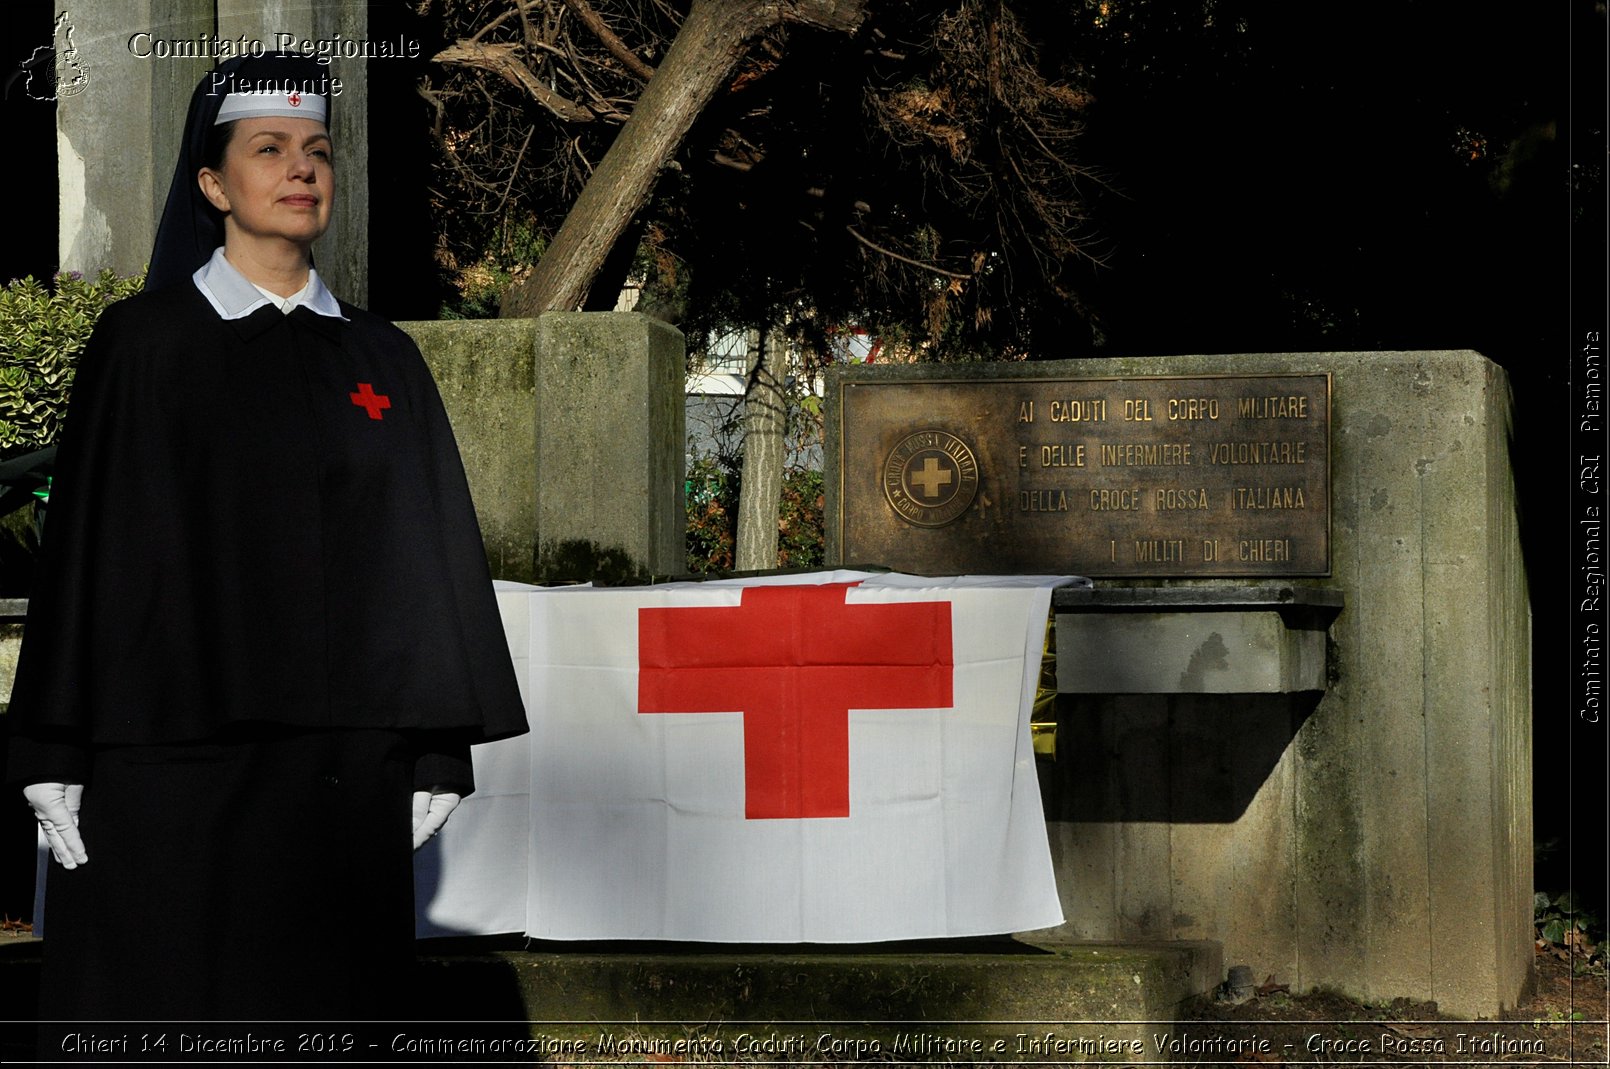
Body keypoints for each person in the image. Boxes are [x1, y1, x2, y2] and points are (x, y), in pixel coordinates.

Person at [5, 52, 529, 1024]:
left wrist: (440, 747)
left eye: (318, 151)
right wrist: (48, 743)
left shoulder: (384, 358)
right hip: (170, 763)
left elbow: (428, 554)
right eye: (270, 148)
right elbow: (86, 552)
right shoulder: (144, 342)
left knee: (327, 1014)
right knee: (174, 1005)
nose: (301, 170)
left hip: (343, 768)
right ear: (213, 183)